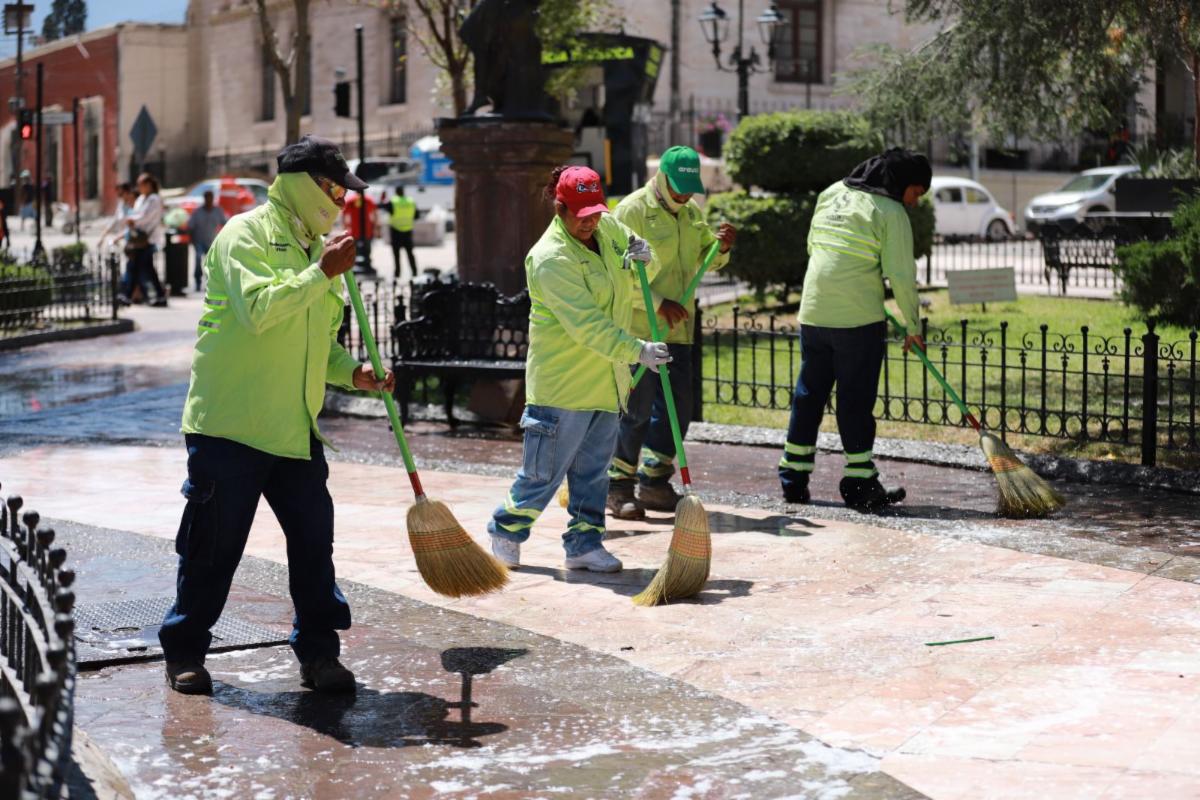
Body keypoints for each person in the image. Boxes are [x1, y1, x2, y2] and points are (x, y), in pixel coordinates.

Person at [158, 135, 395, 696]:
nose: (339, 198)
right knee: (212, 550)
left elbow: (316, 340)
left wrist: (353, 373)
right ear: (304, 182)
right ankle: (185, 651)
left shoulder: (318, 245)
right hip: (230, 426)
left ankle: (319, 654)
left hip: (295, 428)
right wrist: (323, 275)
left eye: (343, 190)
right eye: (334, 186)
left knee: (315, 547)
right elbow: (262, 311)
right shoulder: (246, 234)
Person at [487, 165, 670, 573]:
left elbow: (642, 272)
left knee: (593, 476)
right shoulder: (550, 258)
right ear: (560, 207)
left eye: (596, 212)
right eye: (581, 214)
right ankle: (505, 530)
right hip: (562, 386)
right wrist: (636, 349)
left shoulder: (607, 230)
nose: (590, 222)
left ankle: (585, 544)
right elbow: (587, 324)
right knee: (542, 475)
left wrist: (646, 257)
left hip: (606, 382)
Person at [777, 148, 930, 512]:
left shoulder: (830, 193)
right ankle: (859, 481)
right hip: (857, 320)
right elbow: (902, 276)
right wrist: (913, 325)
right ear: (902, 184)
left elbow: (815, 247)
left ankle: (793, 476)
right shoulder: (890, 212)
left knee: (809, 394)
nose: (915, 202)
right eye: (917, 193)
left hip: (814, 311)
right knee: (855, 400)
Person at [606, 146, 737, 519]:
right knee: (637, 410)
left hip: (679, 330)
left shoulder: (691, 213)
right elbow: (616, 273)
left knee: (680, 409)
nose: (683, 196)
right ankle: (617, 487)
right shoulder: (631, 211)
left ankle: (654, 480)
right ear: (661, 177)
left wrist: (721, 248)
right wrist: (659, 300)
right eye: (678, 188)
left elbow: (702, 258)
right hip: (639, 329)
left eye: (689, 189)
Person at [120, 173, 168, 307]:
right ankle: (159, 295)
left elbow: (147, 216)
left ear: (148, 185)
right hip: (138, 238)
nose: (139, 188)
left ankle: (128, 295)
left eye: (140, 185)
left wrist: (133, 221)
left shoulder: (154, 199)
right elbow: (135, 213)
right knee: (145, 268)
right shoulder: (141, 198)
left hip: (148, 239)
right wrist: (131, 220)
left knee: (137, 267)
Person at [188, 190, 228, 292]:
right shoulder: (197, 212)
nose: (209, 200)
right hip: (199, 241)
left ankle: (210, 283)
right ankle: (197, 282)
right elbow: (191, 227)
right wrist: (192, 240)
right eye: (207, 198)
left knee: (211, 264)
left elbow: (225, 224)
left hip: (212, 242)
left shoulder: (218, 211)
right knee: (198, 259)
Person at [383, 185, 418, 277]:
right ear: (403, 191)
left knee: (396, 255)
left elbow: (384, 207)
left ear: (396, 192)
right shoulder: (411, 201)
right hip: (408, 230)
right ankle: (415, 272)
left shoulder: (393, 201)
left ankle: (397, 273)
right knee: (410, 253)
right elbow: (416, 215)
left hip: (396, 230)